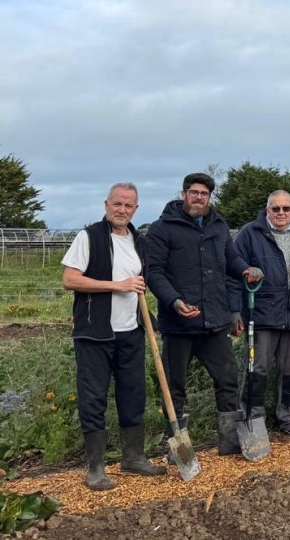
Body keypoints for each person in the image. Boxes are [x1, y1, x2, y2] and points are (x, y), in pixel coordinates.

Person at [146, 173, 263, 456]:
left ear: (210, 197)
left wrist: (245, 269)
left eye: (204, 194)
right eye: (193, 192)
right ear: (184, 194)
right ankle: (177, 447)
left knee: (227, 378)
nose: (199, 197)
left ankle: (229, 441)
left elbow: (230, 259)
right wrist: (174, 302)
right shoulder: (163, 229)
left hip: (213, 322)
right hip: (178, 324)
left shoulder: (218, 226)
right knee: (175, 386)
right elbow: (154, 273)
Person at [62, 182, 166, 491]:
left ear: (136, 209)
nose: (122, 210)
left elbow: (141, 281)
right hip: (95, 332)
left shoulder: (138, 241)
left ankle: (132, 456)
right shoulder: (89, 237)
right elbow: (70, 280)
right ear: (106, 205)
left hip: (131, 331)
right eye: (117, 204)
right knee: (94, 397)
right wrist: (116, 285)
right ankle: (95, 467)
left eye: (128, 205)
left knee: (133, 393)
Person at [231, 190, 290, 437]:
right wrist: (235, 311)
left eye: (285, 208)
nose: (281, 213)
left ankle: (288, 418)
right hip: (260, 313)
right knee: (257, 368)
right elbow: (232, 271)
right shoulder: (249, 234)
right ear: (267, 211)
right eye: (276, 209)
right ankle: (253, 417)